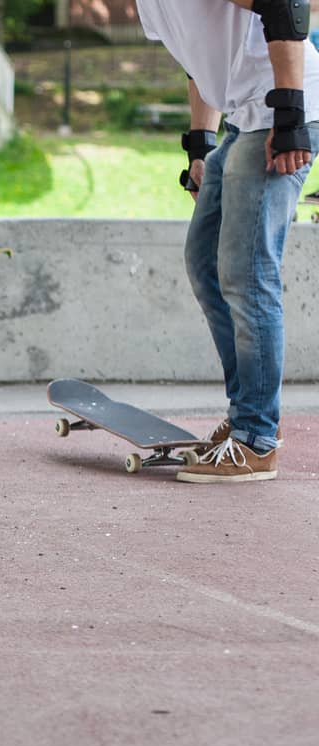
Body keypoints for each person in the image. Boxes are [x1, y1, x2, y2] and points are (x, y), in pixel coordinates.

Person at [139, 0, 318, 482]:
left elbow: (286, 7)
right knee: (205, 265)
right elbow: (200, 61)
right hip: (243, 119)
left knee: (247, 274)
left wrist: (290, 117)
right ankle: (247, 418)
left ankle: (256, 438)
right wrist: (202, 144)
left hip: (281, 109)